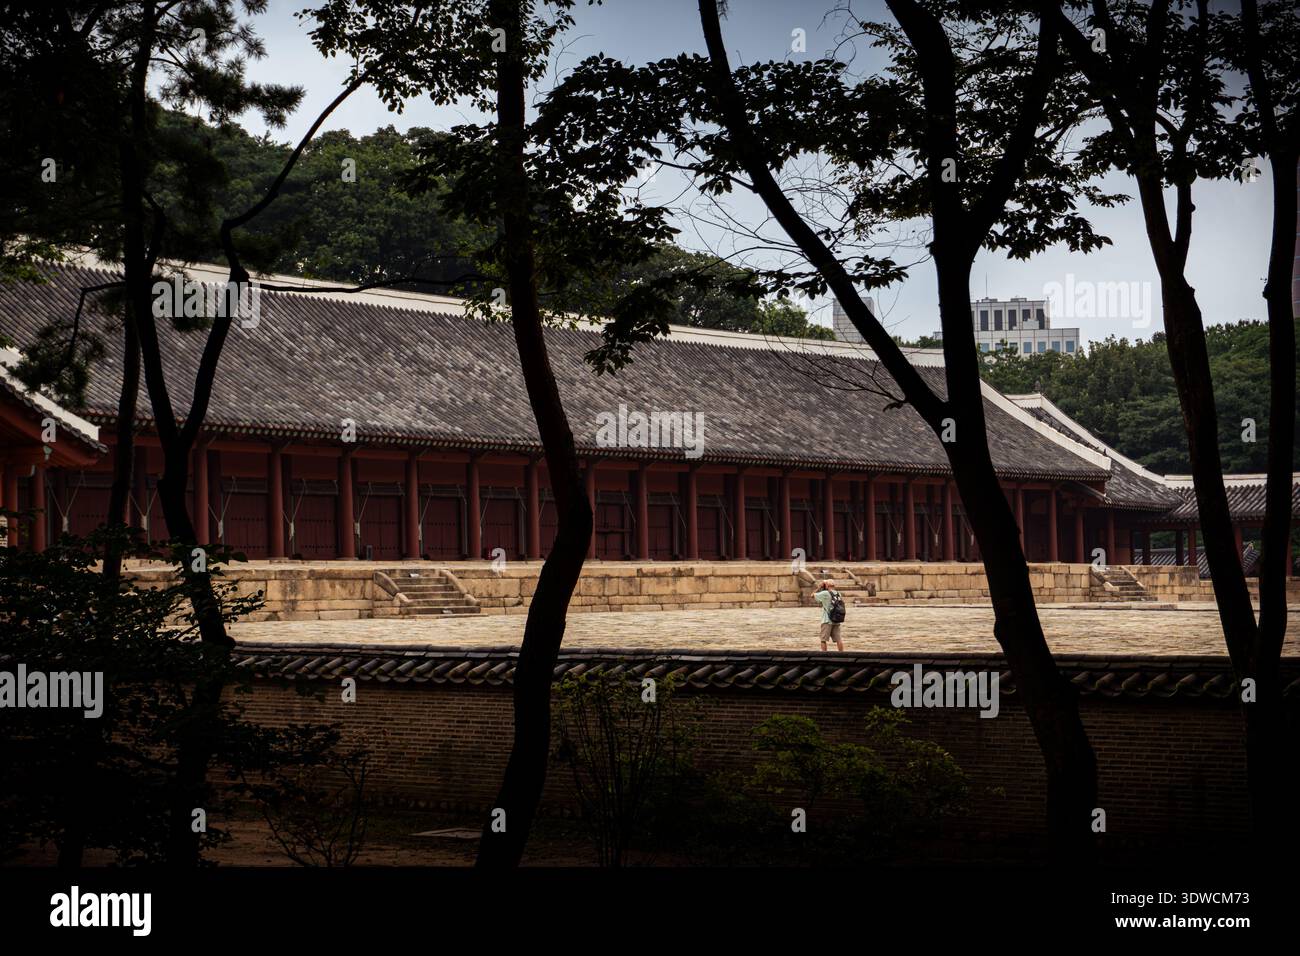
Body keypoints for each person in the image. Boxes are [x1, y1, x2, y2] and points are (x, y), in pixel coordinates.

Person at [813, 579, 845, 651]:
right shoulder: (838, 593)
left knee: (823, 640)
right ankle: (842, 654)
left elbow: (812, 595)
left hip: (827, 620)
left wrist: (819, 587)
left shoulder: (825, 593)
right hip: (836, 619)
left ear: (827, 585)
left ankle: (824, 655)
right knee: (838, 639)